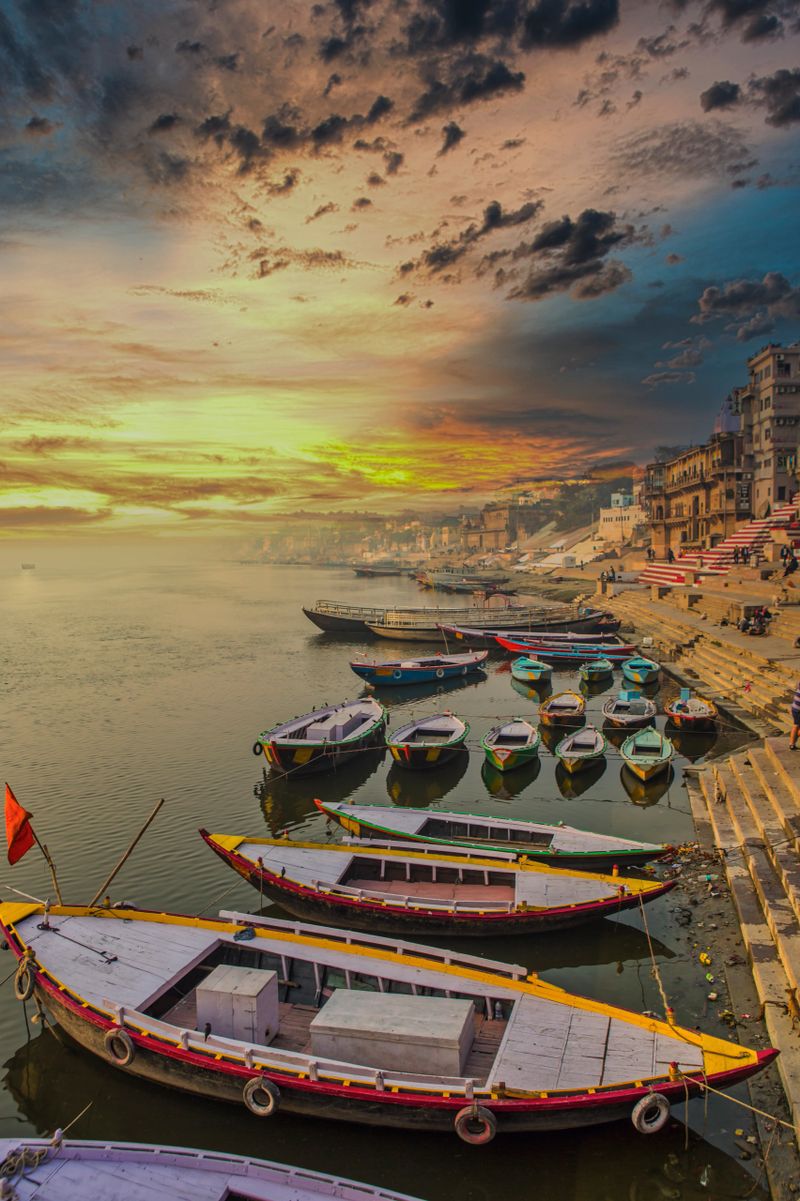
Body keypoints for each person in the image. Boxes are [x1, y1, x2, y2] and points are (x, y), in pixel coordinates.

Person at [790, 678, 800, 749]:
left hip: (795, 708)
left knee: (796, 725)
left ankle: (792, 744)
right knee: (797, 726)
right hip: (799, 709)